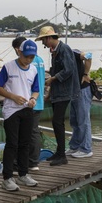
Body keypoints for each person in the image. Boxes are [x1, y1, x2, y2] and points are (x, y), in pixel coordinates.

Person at [0, 40, 40, 191]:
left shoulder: (33, 69)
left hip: (27, 109)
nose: (28, 60)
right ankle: (7, 178)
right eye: (26, 56)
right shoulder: (8, 67)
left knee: (25, 143)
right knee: (12, 144)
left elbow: (36, 89)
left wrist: (33, 99)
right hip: (11, 110)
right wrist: (13, 96)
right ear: (19, 52)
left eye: (32, 57)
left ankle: (23, 174)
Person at [37, 26, 79, 166]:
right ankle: (59, 152)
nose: (43, 43)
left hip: (64, 92)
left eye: (43, 40)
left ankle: (62, 155)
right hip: (57, 92)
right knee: (57, 122)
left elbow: (69, 70)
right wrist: (50, 91)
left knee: (57, 122)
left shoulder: (64, 49)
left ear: (49, 38)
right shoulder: (55, 51)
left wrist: (53, 79)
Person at [68, 48, 94, 159]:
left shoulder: (73, 52)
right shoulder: (60, 56)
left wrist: (85, 73)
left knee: (84, 120)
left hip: (83, 89)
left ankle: (86, 149)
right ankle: (75, 146)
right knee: (74, 120)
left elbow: (88, 55)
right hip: (73, 90)